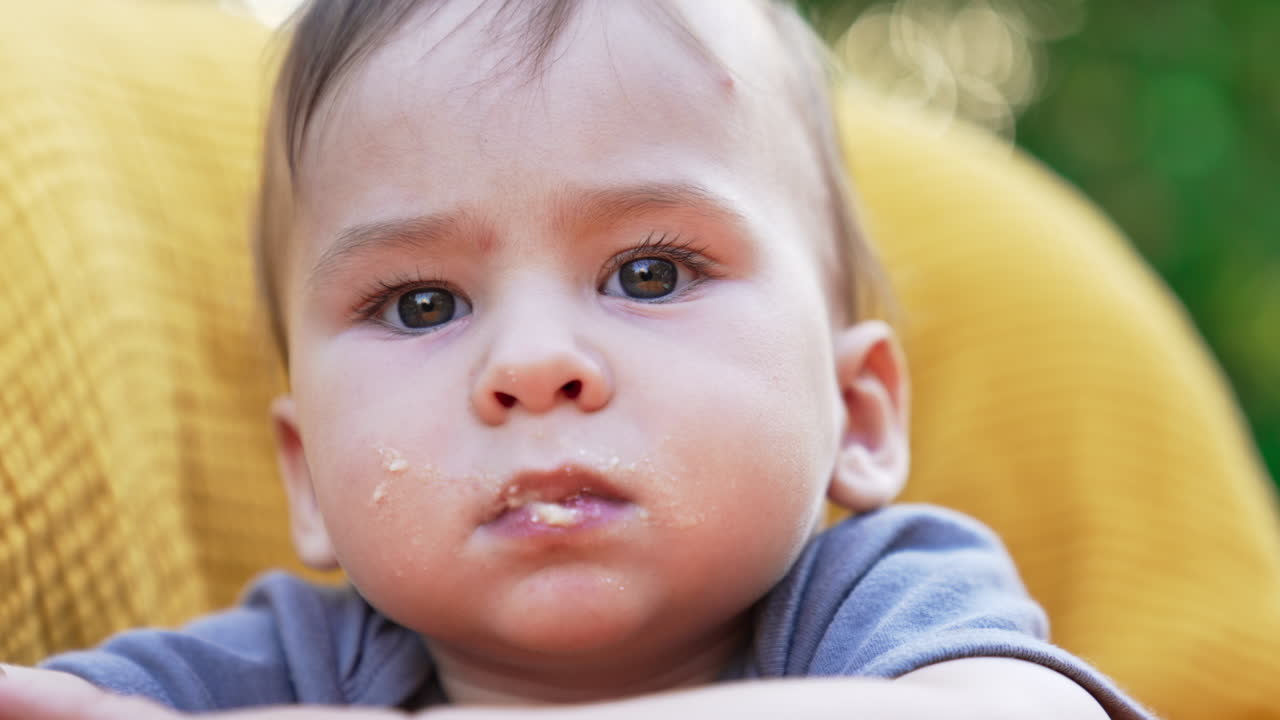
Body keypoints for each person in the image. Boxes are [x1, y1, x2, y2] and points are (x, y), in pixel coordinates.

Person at [0, 1, 1154, 718]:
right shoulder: (273, 670)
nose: (533, 364)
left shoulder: (879, 605)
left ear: (856, 417)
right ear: (307, 479)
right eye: (418, 302)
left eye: (647, 274)